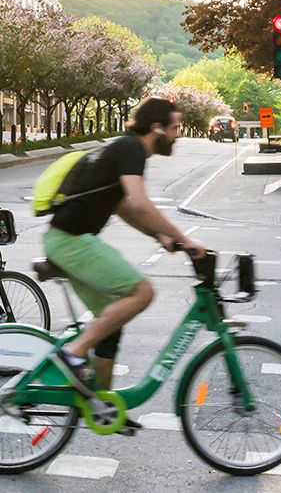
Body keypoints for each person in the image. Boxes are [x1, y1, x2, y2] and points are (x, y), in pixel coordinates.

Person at [45, 97, 206, 422]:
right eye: (175, 128)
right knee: (142, 292)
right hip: (71, 242)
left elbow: (123, 207)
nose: (178, 135)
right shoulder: (130, 148)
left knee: (111, 320)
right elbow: (141, 203)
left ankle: (100, 404)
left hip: (66, 240)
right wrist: (185, 238)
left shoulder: (127, 149)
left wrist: (159, 236)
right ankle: (73, 353)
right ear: (157, 127)